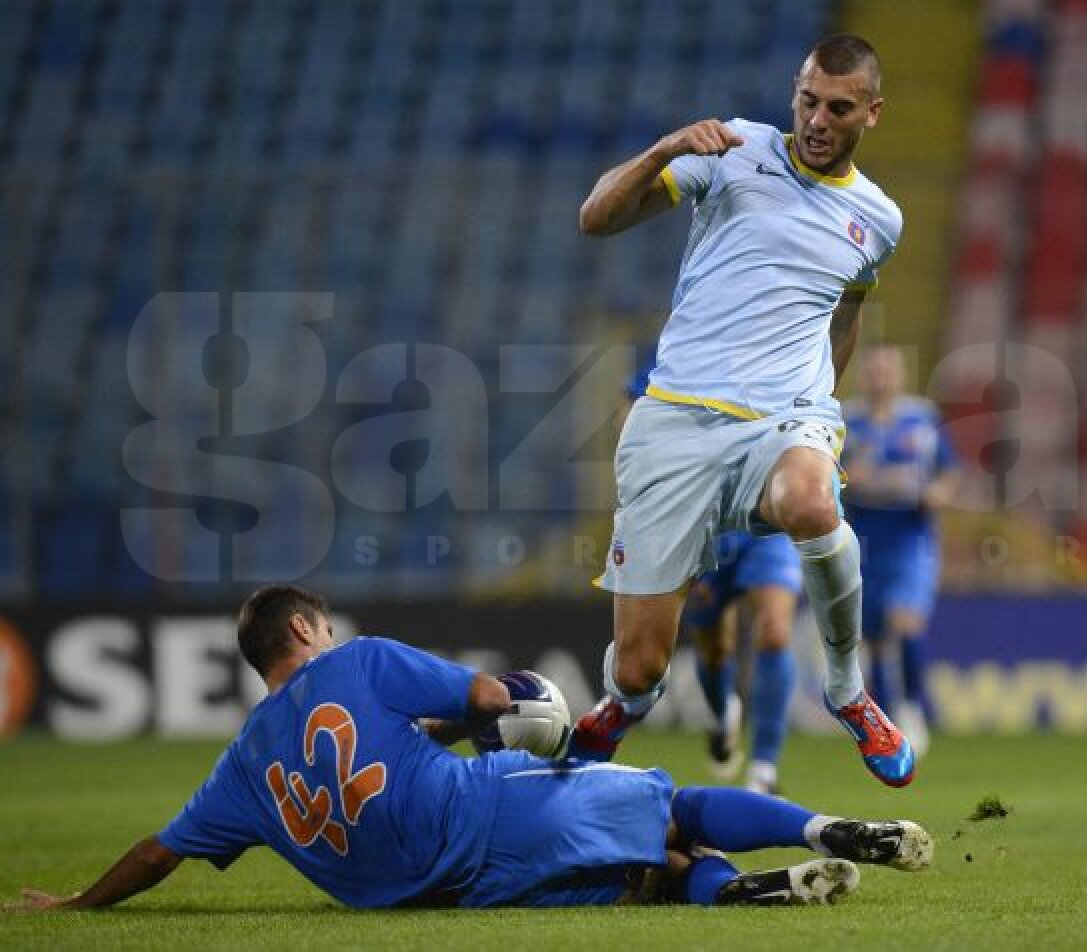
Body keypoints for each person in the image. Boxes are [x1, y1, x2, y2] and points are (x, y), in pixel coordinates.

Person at [6, 586, 932, 913]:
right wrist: (528, 708)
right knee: (671, 806)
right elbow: (493, 698)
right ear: (303, 627)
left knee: (647, 879)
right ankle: (828, 830)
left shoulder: (242, 766)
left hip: (442, 892)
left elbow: (159, 852)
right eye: (322, 622)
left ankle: (741, 892)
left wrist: (81, 903)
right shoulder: (358, 661)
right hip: (479, 808)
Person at [571, 34, 915, 787]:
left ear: (872, 113)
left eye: (838, 108)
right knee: (640, 667)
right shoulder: (733, 149)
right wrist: (664, 149)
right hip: (675, 420)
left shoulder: (879, 219)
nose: (816, 120)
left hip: (782, 420)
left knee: (812, 500)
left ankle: (847, 690)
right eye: (807, 100)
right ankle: (622, 705)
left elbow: (845, 313)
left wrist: (820, 408)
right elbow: (596, 218)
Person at [626, 348, 804, 795]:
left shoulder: (781, 346)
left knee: (775, 632)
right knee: (713, 647)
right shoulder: (674, 352)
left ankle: (763, 770)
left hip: (766, 519)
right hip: (703, 522)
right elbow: (632, 426)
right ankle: (724, 711)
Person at [841, 344, 959, 756]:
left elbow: (948, 472)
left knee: (906, 622)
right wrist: (846, 478)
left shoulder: (921, 419)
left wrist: (939, 494)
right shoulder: (845, 423)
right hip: (862, 538)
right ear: (863, 376)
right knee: (873, 637)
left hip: (910, 536)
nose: (881, 378)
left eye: (888, 370)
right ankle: (887, 723)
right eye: (874, 371)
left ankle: (912, 707)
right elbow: (827, 477)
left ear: (901, 375)